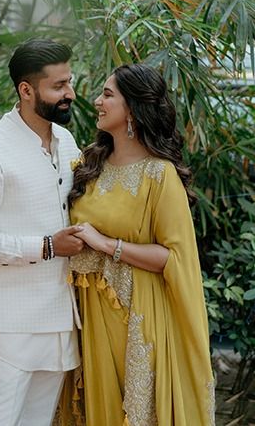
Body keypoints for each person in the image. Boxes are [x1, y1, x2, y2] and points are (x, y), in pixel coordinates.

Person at [62, 63, 215, 426]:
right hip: (91, 311)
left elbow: (173, 256)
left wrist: (105, 244)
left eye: (108, 95)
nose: (97, 101)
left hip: (138, 314)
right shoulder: (89, 163)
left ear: (132, 108)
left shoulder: (158, 174)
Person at [0, 38, 85, 426]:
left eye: (69, 82)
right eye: (58, 86)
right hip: (9, 327)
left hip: (60, 318)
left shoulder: (66, 141)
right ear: (26, 91)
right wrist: (47, 246)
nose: (70, 94)